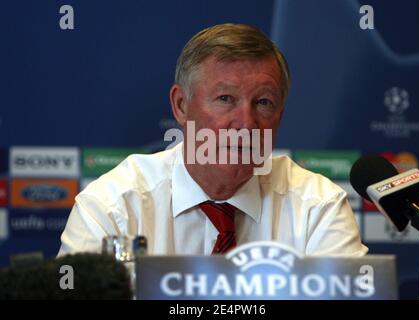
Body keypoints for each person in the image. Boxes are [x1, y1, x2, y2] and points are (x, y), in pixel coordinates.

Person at [58, 23, 367, 257]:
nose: (246, 124)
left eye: (263, 102)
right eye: (225, 98)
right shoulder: (113, 207)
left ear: (280, 116)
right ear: (181, 105)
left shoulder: (318, 209)